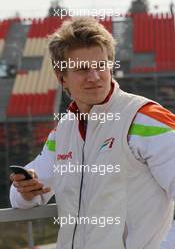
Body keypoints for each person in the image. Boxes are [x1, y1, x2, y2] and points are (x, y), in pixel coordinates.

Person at [10, 17, 175, 249]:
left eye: (100, 66)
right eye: (82, 69)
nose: (94, 77)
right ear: (62, 78)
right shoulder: (64, 131)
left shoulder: (145, 117)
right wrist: (25, 192)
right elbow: (28, 195)